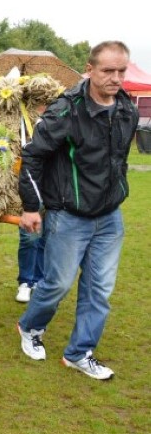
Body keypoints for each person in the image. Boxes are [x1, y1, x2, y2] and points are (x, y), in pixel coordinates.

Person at [16, 41, 137, 380]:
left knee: (99, 289)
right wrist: (31, 206)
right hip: (69, 216)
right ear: (90, 68)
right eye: (108, 71)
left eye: (121, 71)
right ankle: (30, 326)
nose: (116, 78)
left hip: (110, 217)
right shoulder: (66, 110)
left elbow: (120, 160)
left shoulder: (127, 108)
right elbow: (32, 157)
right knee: (57, 284)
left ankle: (79, 353)